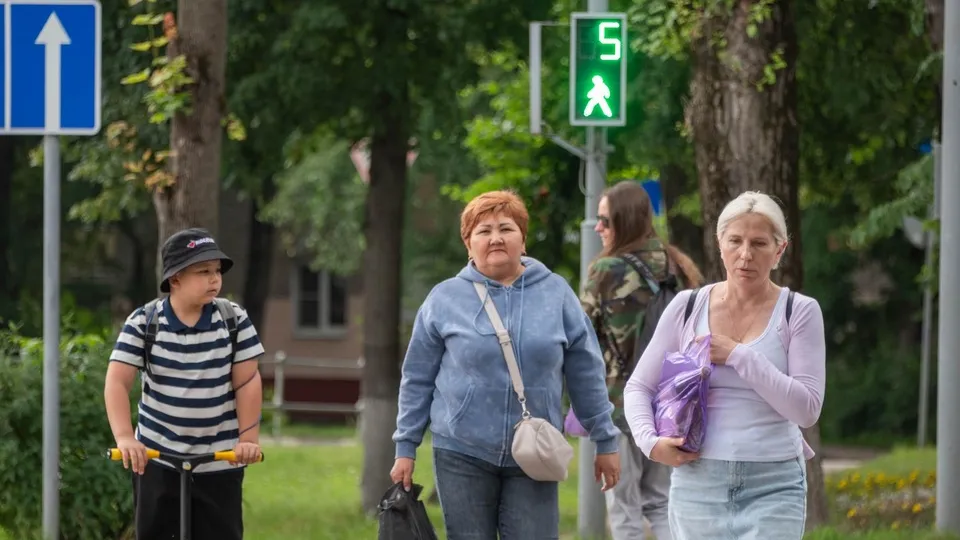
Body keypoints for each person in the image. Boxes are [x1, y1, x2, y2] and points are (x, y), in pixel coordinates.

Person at [390, 190, 621, 540]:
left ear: (523, 240)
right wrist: (405, 446)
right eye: (483, 231)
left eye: (506, 228)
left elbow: (585, 370)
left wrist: (605, 440)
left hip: (534, 454)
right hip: (461, 449)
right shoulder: (444, 299)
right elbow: (417, 378)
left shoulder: (556, 293)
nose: (495, 238)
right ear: (468, 245)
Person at [623, 191, 826, 540]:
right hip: (698, 480)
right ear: (720, 243)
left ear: (780, 250)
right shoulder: (688, 307)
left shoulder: (799, 311)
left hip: (774, 482)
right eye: (735, 241)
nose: (745, 255)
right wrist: (650, 442)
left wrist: (737, 355)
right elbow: (638, 387)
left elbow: (807, 410)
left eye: (760, 243)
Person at [104, 228, 266, 540]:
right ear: (174, 279)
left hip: (219, 461)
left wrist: (248, 438)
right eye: (203, 272)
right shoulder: (145, 322)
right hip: (158, 459)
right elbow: (117, 381)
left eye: (217, 271)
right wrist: (125, 438)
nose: (214, 279)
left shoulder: (233, 319)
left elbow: (247, 381)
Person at [581, 181, 703, 539]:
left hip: (618, 405)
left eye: (605, 220)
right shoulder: (678, 265)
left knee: (623, 506)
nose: (598, 228)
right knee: (661, 502)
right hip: (672, 405)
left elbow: (581, 336)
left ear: (626, 220)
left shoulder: (607, 270)